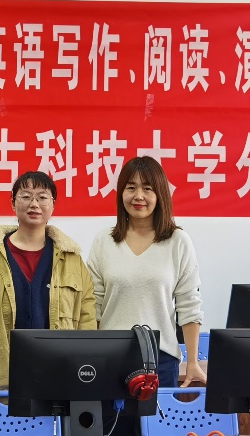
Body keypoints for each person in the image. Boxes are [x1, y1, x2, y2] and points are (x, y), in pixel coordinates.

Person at [0, 170, 97, 390]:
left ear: (53, 204)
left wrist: (83, 370)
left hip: (60, 375)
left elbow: (86, 320)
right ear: (13, 202)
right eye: (26, 196)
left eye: (42, 197)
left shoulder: (72, 261)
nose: (34, 204)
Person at [86, 156, 204, 388]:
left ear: (160, 194)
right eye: (131, 188)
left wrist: (192, 361)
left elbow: (189, 304)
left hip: (161, 359)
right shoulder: (104, 241)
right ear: (121, 193)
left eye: (147, 189)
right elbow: (93, 305)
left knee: (156, 415)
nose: (138, 196)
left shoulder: (178, 241)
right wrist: (91, 354)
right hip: (110, 357)